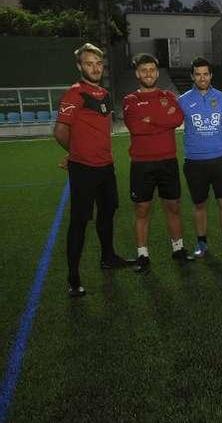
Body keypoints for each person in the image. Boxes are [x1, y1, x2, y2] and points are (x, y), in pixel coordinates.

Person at [53, 43, 133, 297]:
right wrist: (75, 154)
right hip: (84, 169)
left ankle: (108, 257)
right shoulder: (74, 94)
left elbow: (100, 131)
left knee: (108, 212)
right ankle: (73, 278)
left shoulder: (105, 95)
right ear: (80, 67)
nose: (95, 68)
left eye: (98, 64)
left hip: (105, 166)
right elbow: (60, 131)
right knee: (79, 221)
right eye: (89, 64)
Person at [122, 53, 188, 273]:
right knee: (142, 209)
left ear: (157, 72)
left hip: (168, 160)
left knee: (173, 206)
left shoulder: (168, 96)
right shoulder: (130, 100)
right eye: (144, 70)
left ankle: (178, 249)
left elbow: (177, 119)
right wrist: (162, 120)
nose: (148, 74)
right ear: (137, 73)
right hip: (141, 164)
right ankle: (142, 254)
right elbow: (136, 127)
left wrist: (150, 119)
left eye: (152, 70)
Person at [178, 57, 222, 256]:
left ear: (211, 75)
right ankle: (201, 243)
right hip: (194, 162)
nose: (202, 78)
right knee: (199, 204)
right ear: (192, 76)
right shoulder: (183, 100)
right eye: (198, 74)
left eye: (206, 74)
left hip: (220, 159)